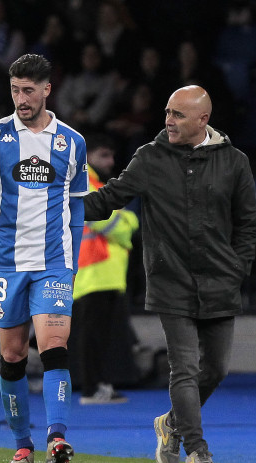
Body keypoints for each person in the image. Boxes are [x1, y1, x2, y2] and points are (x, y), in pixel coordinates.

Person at [84, 85, 256, 463]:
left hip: (219, 281)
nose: (168, 120)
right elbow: (107, 200)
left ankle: (170, 425)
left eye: (178, 115)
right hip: (170, 280)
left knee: (216, 368)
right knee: (184, 368)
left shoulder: (234, 161)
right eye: (167, 112)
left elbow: (248, 224)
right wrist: (52, 205)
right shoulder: (150, 157)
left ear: (203, 119)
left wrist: (237, 270)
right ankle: (197, 450)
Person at [0, 54, 86, 463]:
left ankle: (57, 438)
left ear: (48, 90)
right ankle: (22, 444)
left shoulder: (72, 142)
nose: (20, 99)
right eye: (15, 90)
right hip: (7, 263)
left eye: (28, 90)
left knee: (54, 347)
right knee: (13, 355)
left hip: (53, 261)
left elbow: (78, 208)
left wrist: (73, 259)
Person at [72, 133, 139, 405]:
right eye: (103, 155)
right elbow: (103, 220)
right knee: (92, 336)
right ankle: (91, 388)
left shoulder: (97, 182)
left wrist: (125, 219)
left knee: (101, 335)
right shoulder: (84, 179)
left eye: (111, 156)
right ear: (88, 156)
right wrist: (127, 226)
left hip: (104, 272)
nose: (110, 161)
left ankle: (99, 385)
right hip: (94, 271)